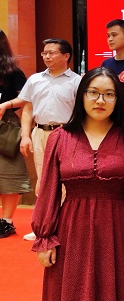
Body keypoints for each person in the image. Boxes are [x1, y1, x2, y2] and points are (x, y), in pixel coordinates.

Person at [31, 66, 124, 301]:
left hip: (116, 229)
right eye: (94, 93)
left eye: (109, 94)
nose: (101, 100)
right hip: (70, 230)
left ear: (117, 99)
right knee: (70, 299)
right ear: (81, 95)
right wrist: (44, 237)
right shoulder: (60, 137)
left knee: (115, 298)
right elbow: (48, 189)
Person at [0, 37, 81, 240]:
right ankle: (44, 226)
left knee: (66, 180)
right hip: (40, 132)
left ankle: (65, 226)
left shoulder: (77, 81)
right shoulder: (35, 79)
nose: (46, 56)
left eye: (51, 53)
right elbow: (27, 108)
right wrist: (25, 136)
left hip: (66, 134)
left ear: (66, 56)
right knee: (44, 180)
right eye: (44, 53)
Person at [0, 29, 32, 239]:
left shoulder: (13, 72)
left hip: (7, 126)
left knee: (9, 173)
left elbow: (27, 99)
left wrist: (6, 104)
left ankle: (7, 221)